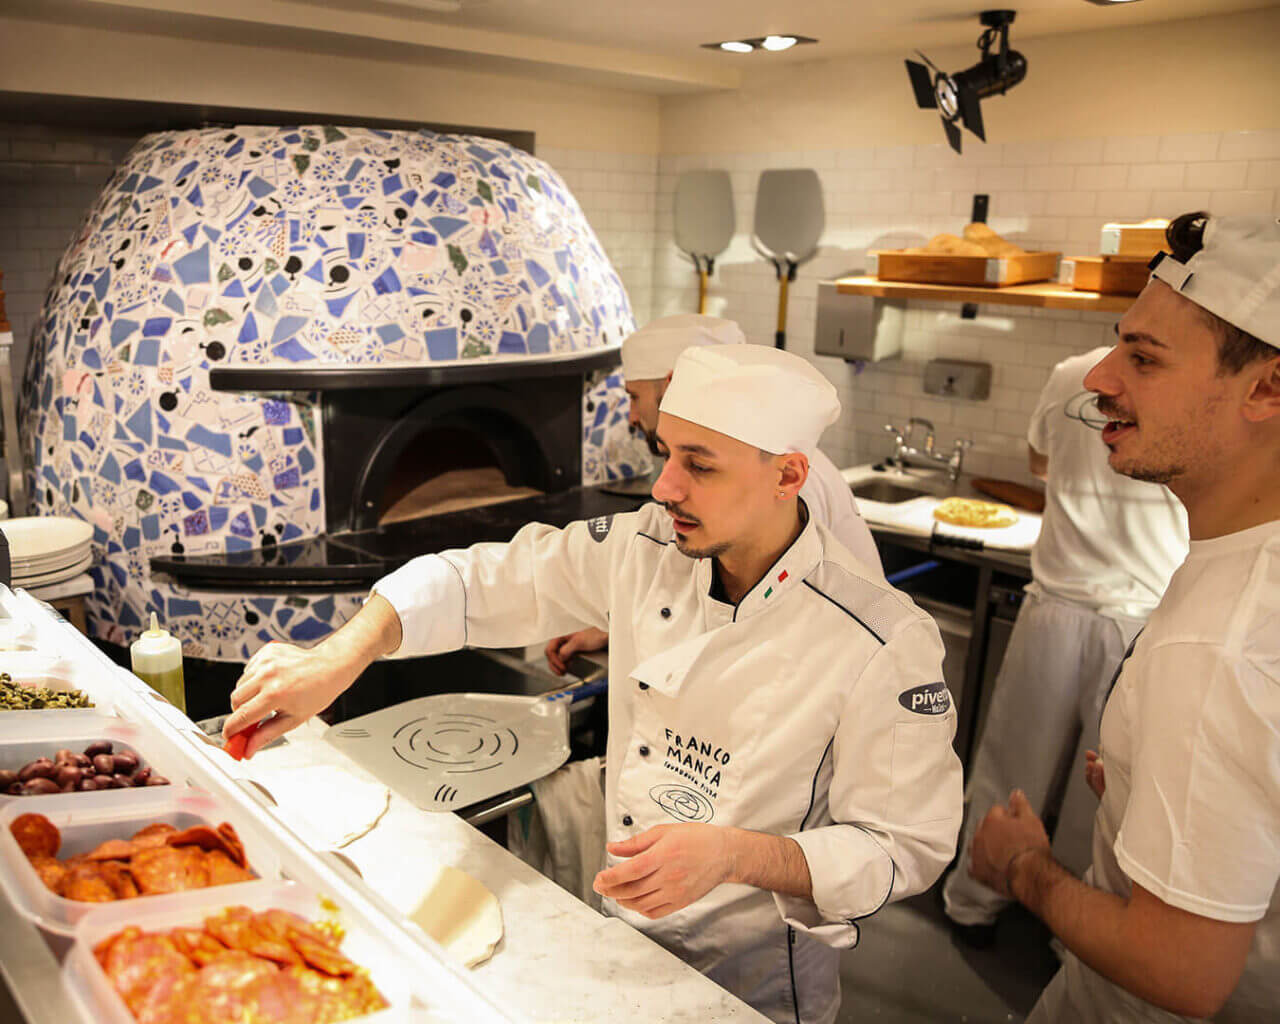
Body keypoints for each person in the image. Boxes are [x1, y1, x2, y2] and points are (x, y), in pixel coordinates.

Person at [223, 342, 963, 1024]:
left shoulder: (881, 640)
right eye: (666, 452)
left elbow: (902, 848)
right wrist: (340, 657)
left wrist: (738, 853)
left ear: (788, 476)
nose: (664, 486)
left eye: (700, 466)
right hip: (616, 937)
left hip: (751, 981)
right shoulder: (646, 546)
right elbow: (483, 579)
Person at [968, 212, 1280, 1022]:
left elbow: (1180, 972)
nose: (1100, 376)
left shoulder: (1222, 645)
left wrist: (1023, 866)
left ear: (1267, 388)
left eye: (1143, 357)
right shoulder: (1243, 563)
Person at [942, 347, 1189, 942]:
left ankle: (972, 902)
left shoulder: (1070, 373)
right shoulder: (1191, 383)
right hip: (1138, 619)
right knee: (1102, 794)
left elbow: (1040, 464)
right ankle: (1073, 935)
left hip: (1057, 608)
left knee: (1011, 767)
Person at [546, 313, 883, 675]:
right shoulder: (761, 468)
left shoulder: (776, 487)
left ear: (672, 386)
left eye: (634, 397)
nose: (631, 416)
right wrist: (614, 626)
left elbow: (754, 618)